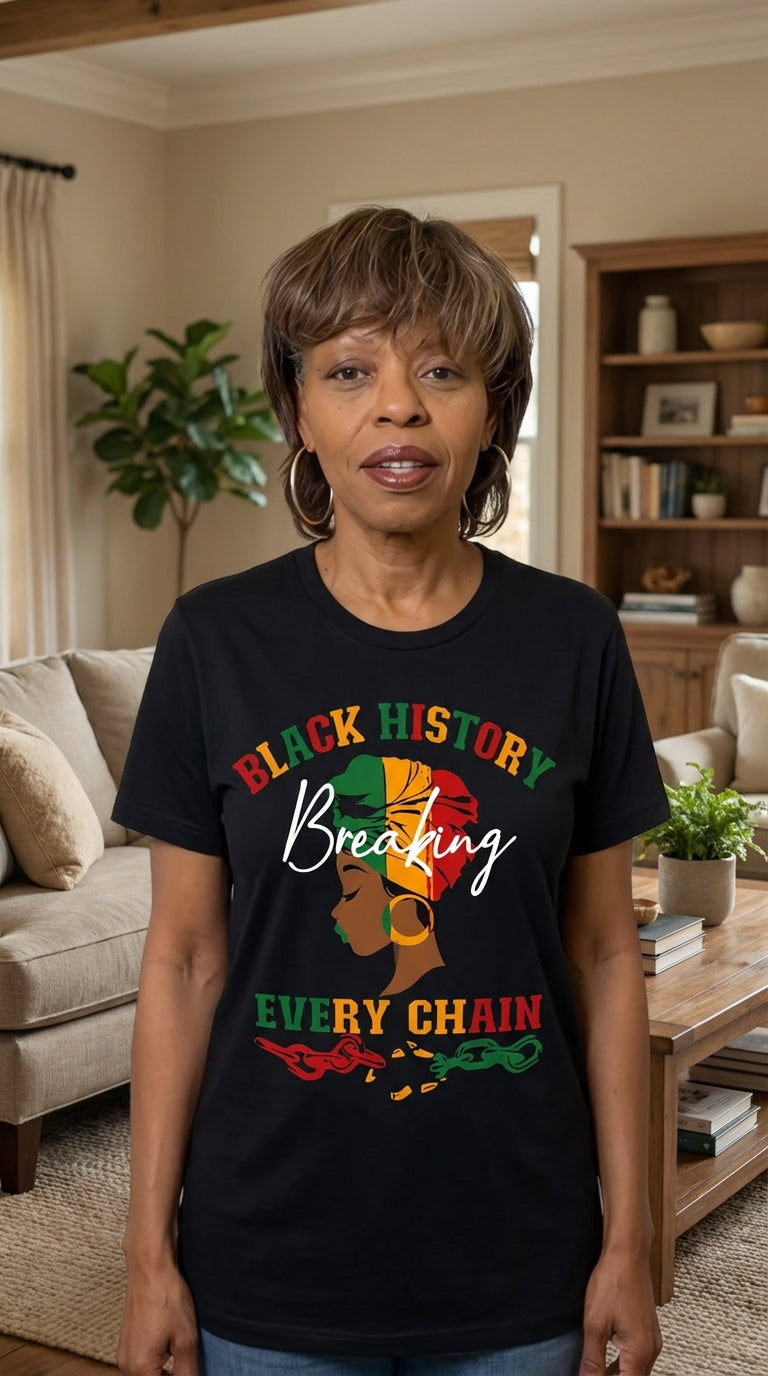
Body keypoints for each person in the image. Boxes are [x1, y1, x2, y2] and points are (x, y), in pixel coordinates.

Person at [114, 206, 669, 1376]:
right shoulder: (214, 639)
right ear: (298, 409)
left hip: (520, 1261)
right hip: (266, 1260)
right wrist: (148, 1253)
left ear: (494, 410)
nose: (398, 406)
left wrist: (630, 1239)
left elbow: (605, 951)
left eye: (443, 370)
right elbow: (185, 958)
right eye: (349, 370)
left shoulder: (573, 638)